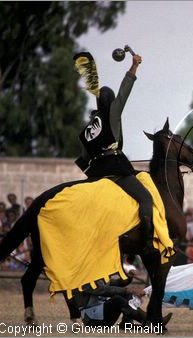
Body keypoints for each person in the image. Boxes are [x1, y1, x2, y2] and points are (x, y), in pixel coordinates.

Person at [73, 51, 155, 254]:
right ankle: (146, 242)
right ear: (109, 103)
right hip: (116, 170)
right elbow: (124, 91)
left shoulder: (87, 130)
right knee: (146, 199)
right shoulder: (112, 113)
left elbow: (84, 159)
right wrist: (134, 65)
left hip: (94, 174)